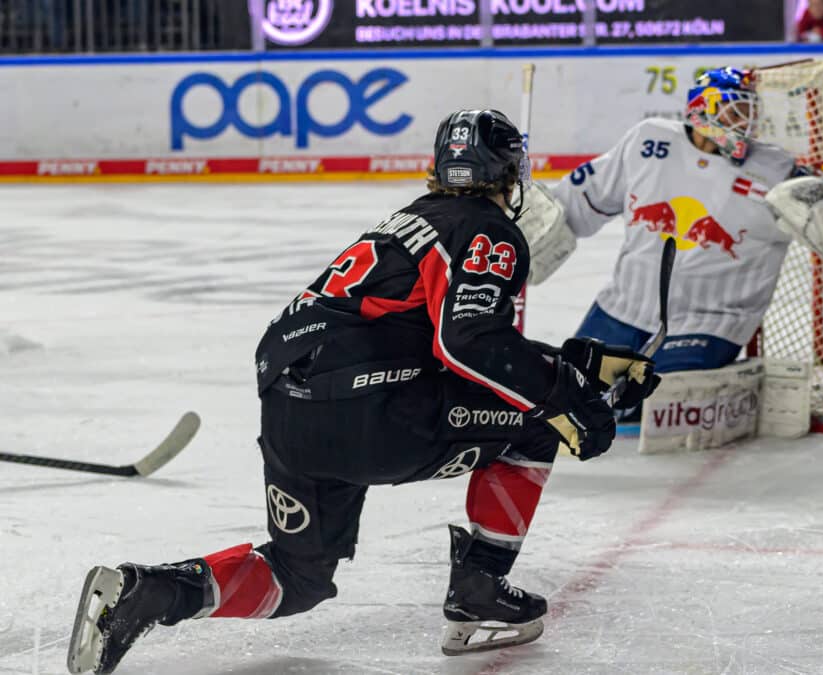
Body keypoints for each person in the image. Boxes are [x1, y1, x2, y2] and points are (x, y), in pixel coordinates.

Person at [66, 109, 661, 674]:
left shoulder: (410, 222)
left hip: (290, 414)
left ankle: (146, 594)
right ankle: (480, 588)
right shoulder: (487, 227)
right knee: (534, 423)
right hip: (370, 411)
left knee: (298, 578)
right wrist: (565, 394)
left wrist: (576, 364)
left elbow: (440, 342)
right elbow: (471, 342)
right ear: (507, 172)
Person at [517, 68, 823, 424]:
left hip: (710, 322)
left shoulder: (774, 169)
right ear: (702, 108)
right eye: (734, 110)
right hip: (624, 308)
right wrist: (527, 228)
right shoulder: (647, 141)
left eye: (749, 112)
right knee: (567, 396)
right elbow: (579, 200)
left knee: (653, 406)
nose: (745, 122)